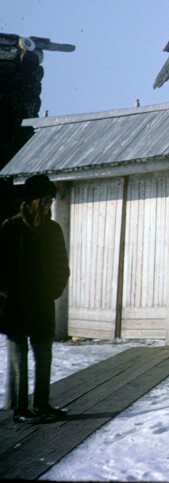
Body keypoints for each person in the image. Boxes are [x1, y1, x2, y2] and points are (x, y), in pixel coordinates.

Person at [1, 174, 70, 424]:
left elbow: (63, 266)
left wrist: (53, 291)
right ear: (32, 201)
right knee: (18, 358)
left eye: (51, 200)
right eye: (45, 200)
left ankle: (42, 404)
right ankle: (21, 410)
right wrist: (8, 292)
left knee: (44, 354)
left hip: (42, 303)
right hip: (16, 304)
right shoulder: (11, 227)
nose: (48, 205)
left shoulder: (53, 230)